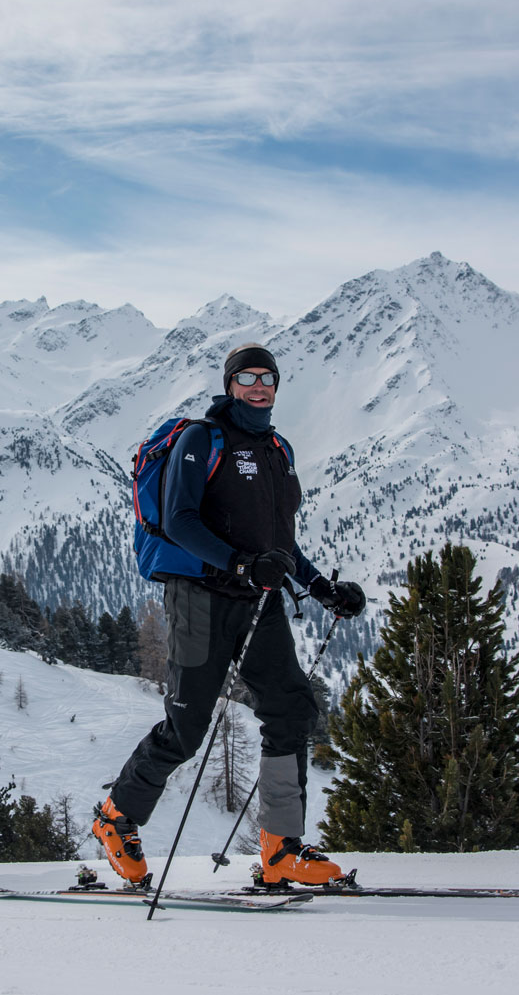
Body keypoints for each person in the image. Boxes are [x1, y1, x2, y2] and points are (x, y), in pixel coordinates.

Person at [94, 343, 366, 888]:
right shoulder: (202, 440)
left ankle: (280, 849)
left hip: (256, 599)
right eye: (248, 377)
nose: (259, 386)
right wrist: (241, 564)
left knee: (290, 710)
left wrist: (320, 587)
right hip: (200, 596)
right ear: (230, 384)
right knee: (186, 729)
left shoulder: (276, 448)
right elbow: (178, 521)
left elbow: (278, 543)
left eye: (268, 377)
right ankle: (116, 817)